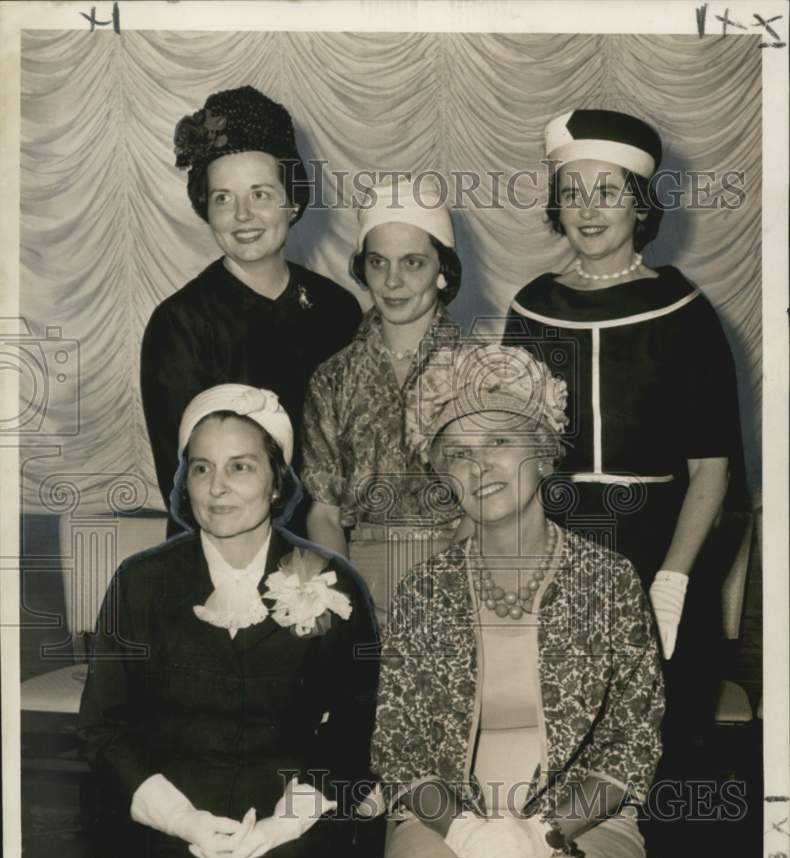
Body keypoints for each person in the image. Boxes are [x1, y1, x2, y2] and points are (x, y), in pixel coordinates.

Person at [370, 344, 665, 858]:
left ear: (545, 449)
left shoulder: (608, 582)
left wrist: (539, 833)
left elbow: (632, 744)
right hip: (443, 826)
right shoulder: (422, 592)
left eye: (500, 439)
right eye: (458, 452)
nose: (480, 466)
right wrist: (468, 834)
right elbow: (397, 751)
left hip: (581, 828)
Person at [78, 384, 380, 858]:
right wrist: (183, 819)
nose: (217, 488)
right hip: (176, 823)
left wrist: (280, 825)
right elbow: (104, 730)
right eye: (201, 469)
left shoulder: (335, 582)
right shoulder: (141, 583)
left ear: (276, 482)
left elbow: (357, 725)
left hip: (295, 821)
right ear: (184, 484)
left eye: (240, 467)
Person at [503, 109, 747, 748]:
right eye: (573, 192)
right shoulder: (531, 308)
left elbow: (712, 470)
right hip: (557, 551)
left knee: (656, 740)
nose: (588, 209)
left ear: (640, 206)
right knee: (557, 735)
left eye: (608, 192)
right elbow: (511, 456)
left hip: (660, 548)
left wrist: (673, 578)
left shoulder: (684, 312)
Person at [141, 86, 361, 533]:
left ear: (292, 200)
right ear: (206, 208)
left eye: (260, 194)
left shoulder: (338, 310)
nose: (242, 215)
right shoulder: (178, 325)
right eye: (223, 198)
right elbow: (188, 486)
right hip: (219, 556)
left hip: (331, 545)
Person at [301, 176, 464, 625]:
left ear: (442, 268)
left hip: (461, 569)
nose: (393, 282)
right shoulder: (332, 379)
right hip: (361, 572)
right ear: (362, 269)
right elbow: (325, 512)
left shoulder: (481, 371)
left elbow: (492, 505)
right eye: (378, 262)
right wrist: (348, 599)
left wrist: (449, 591)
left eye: (412, 262)